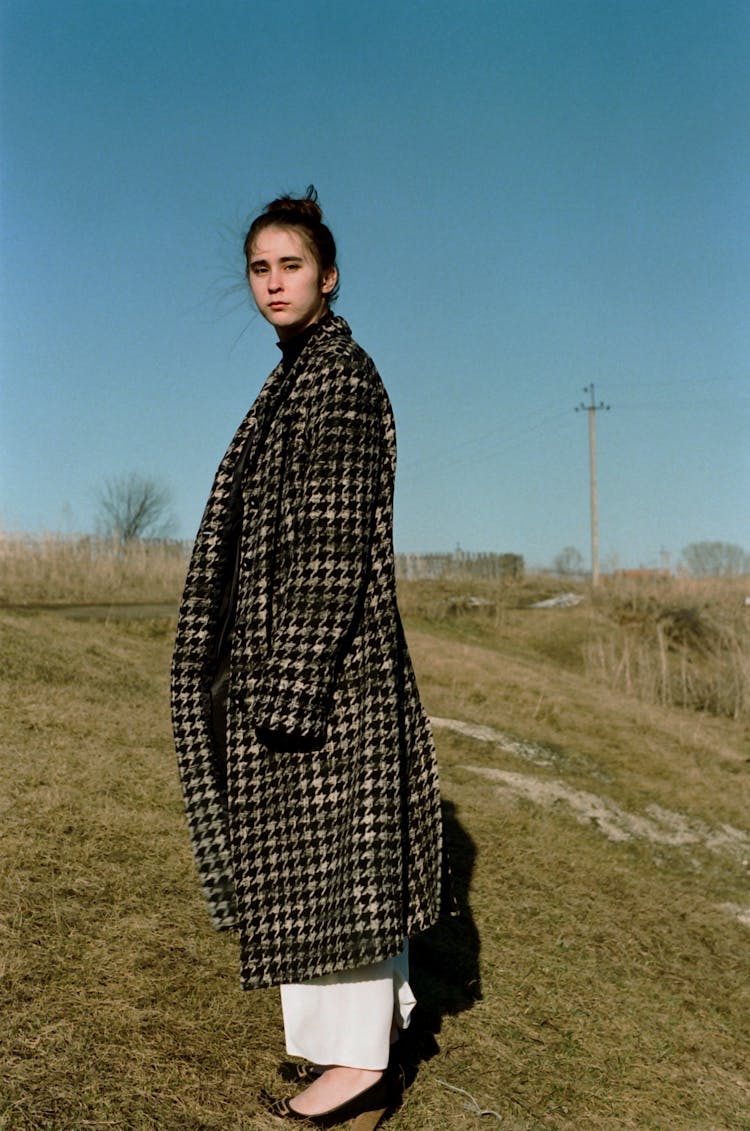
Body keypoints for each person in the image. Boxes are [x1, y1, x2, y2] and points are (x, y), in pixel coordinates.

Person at [171, 187, 446, 1127]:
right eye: (260, 267)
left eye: (291, 265)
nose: (274, 282)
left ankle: (359, 1074)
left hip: (325, 673)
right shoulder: (301, 373)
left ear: (328, 276)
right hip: (306, 665)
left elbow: (330, 547)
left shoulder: (338, 377)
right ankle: (349, 1056)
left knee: (338, 872)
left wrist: (291, 684)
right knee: (321, 872)